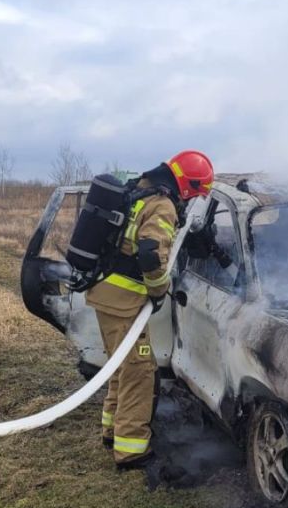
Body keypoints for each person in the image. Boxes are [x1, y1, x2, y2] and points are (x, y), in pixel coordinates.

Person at [87, 151, 214, 468]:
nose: (193, 198)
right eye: (196, 191)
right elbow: (150, 254)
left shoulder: (142, 188)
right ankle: (131, 450)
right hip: (123, 298)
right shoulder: (163, 204)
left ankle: (111, 432)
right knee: (139, 372)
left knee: (121, 366)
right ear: (188, 184)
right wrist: (158, 290)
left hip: (107, 291)